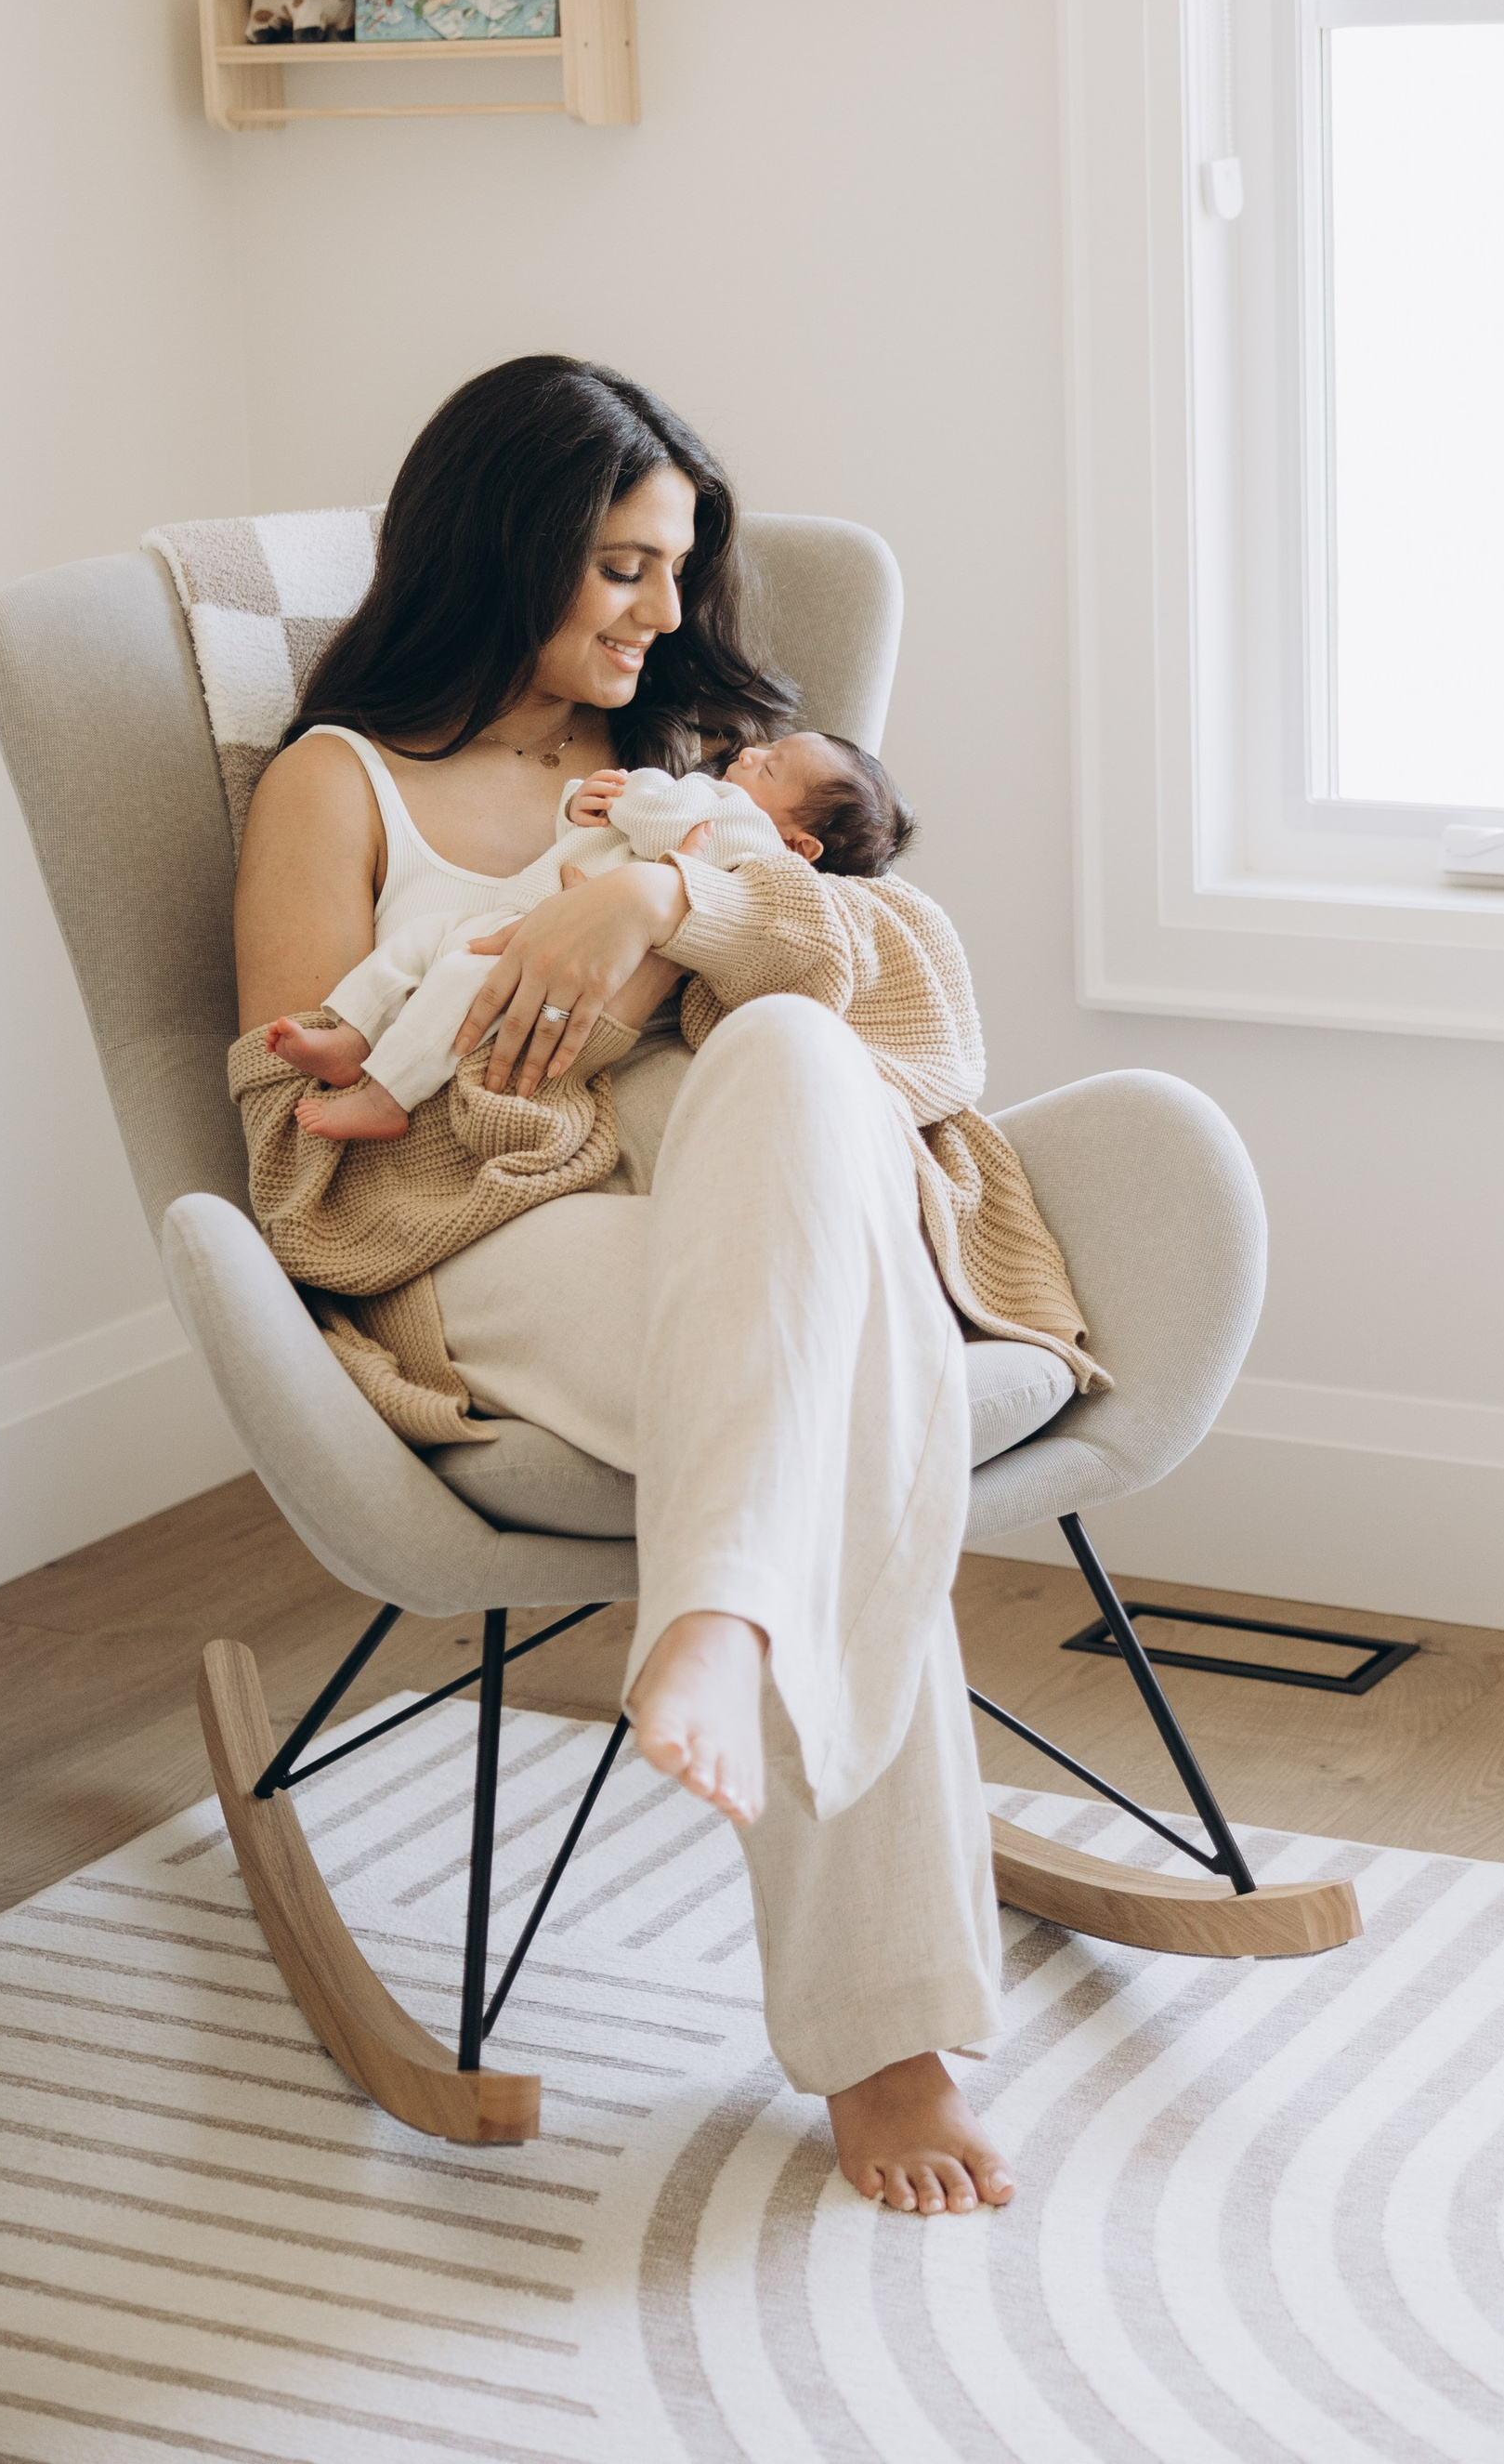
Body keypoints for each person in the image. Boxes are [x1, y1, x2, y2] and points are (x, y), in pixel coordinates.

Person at [233, 357, 1096, 2217]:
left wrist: (655, 913)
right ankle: (889, 2043)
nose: (664, 612)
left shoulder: (708, 771)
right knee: (835, 1396)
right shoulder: (339, 784)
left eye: (676, 569)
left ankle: (715, 1607)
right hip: (501, 1245)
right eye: (623, 567)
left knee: (789, 1062)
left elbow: (923, 1023)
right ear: (503, 549)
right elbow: (297, 1148)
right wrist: (536, 1054)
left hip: (764, 1199)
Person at [268, 732, 911, 1142]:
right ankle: (352, 1036)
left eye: (770, 768)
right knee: (415, 949)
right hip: (518, 911)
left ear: (801, 845)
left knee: (458, 985)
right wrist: (577, 809)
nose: (748, 754)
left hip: (537, 947)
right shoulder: (718, 800)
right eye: (763, 748)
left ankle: (387, 1092)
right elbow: (595, 843)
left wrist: (643, 790)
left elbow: (658, 824)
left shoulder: (745, 834)